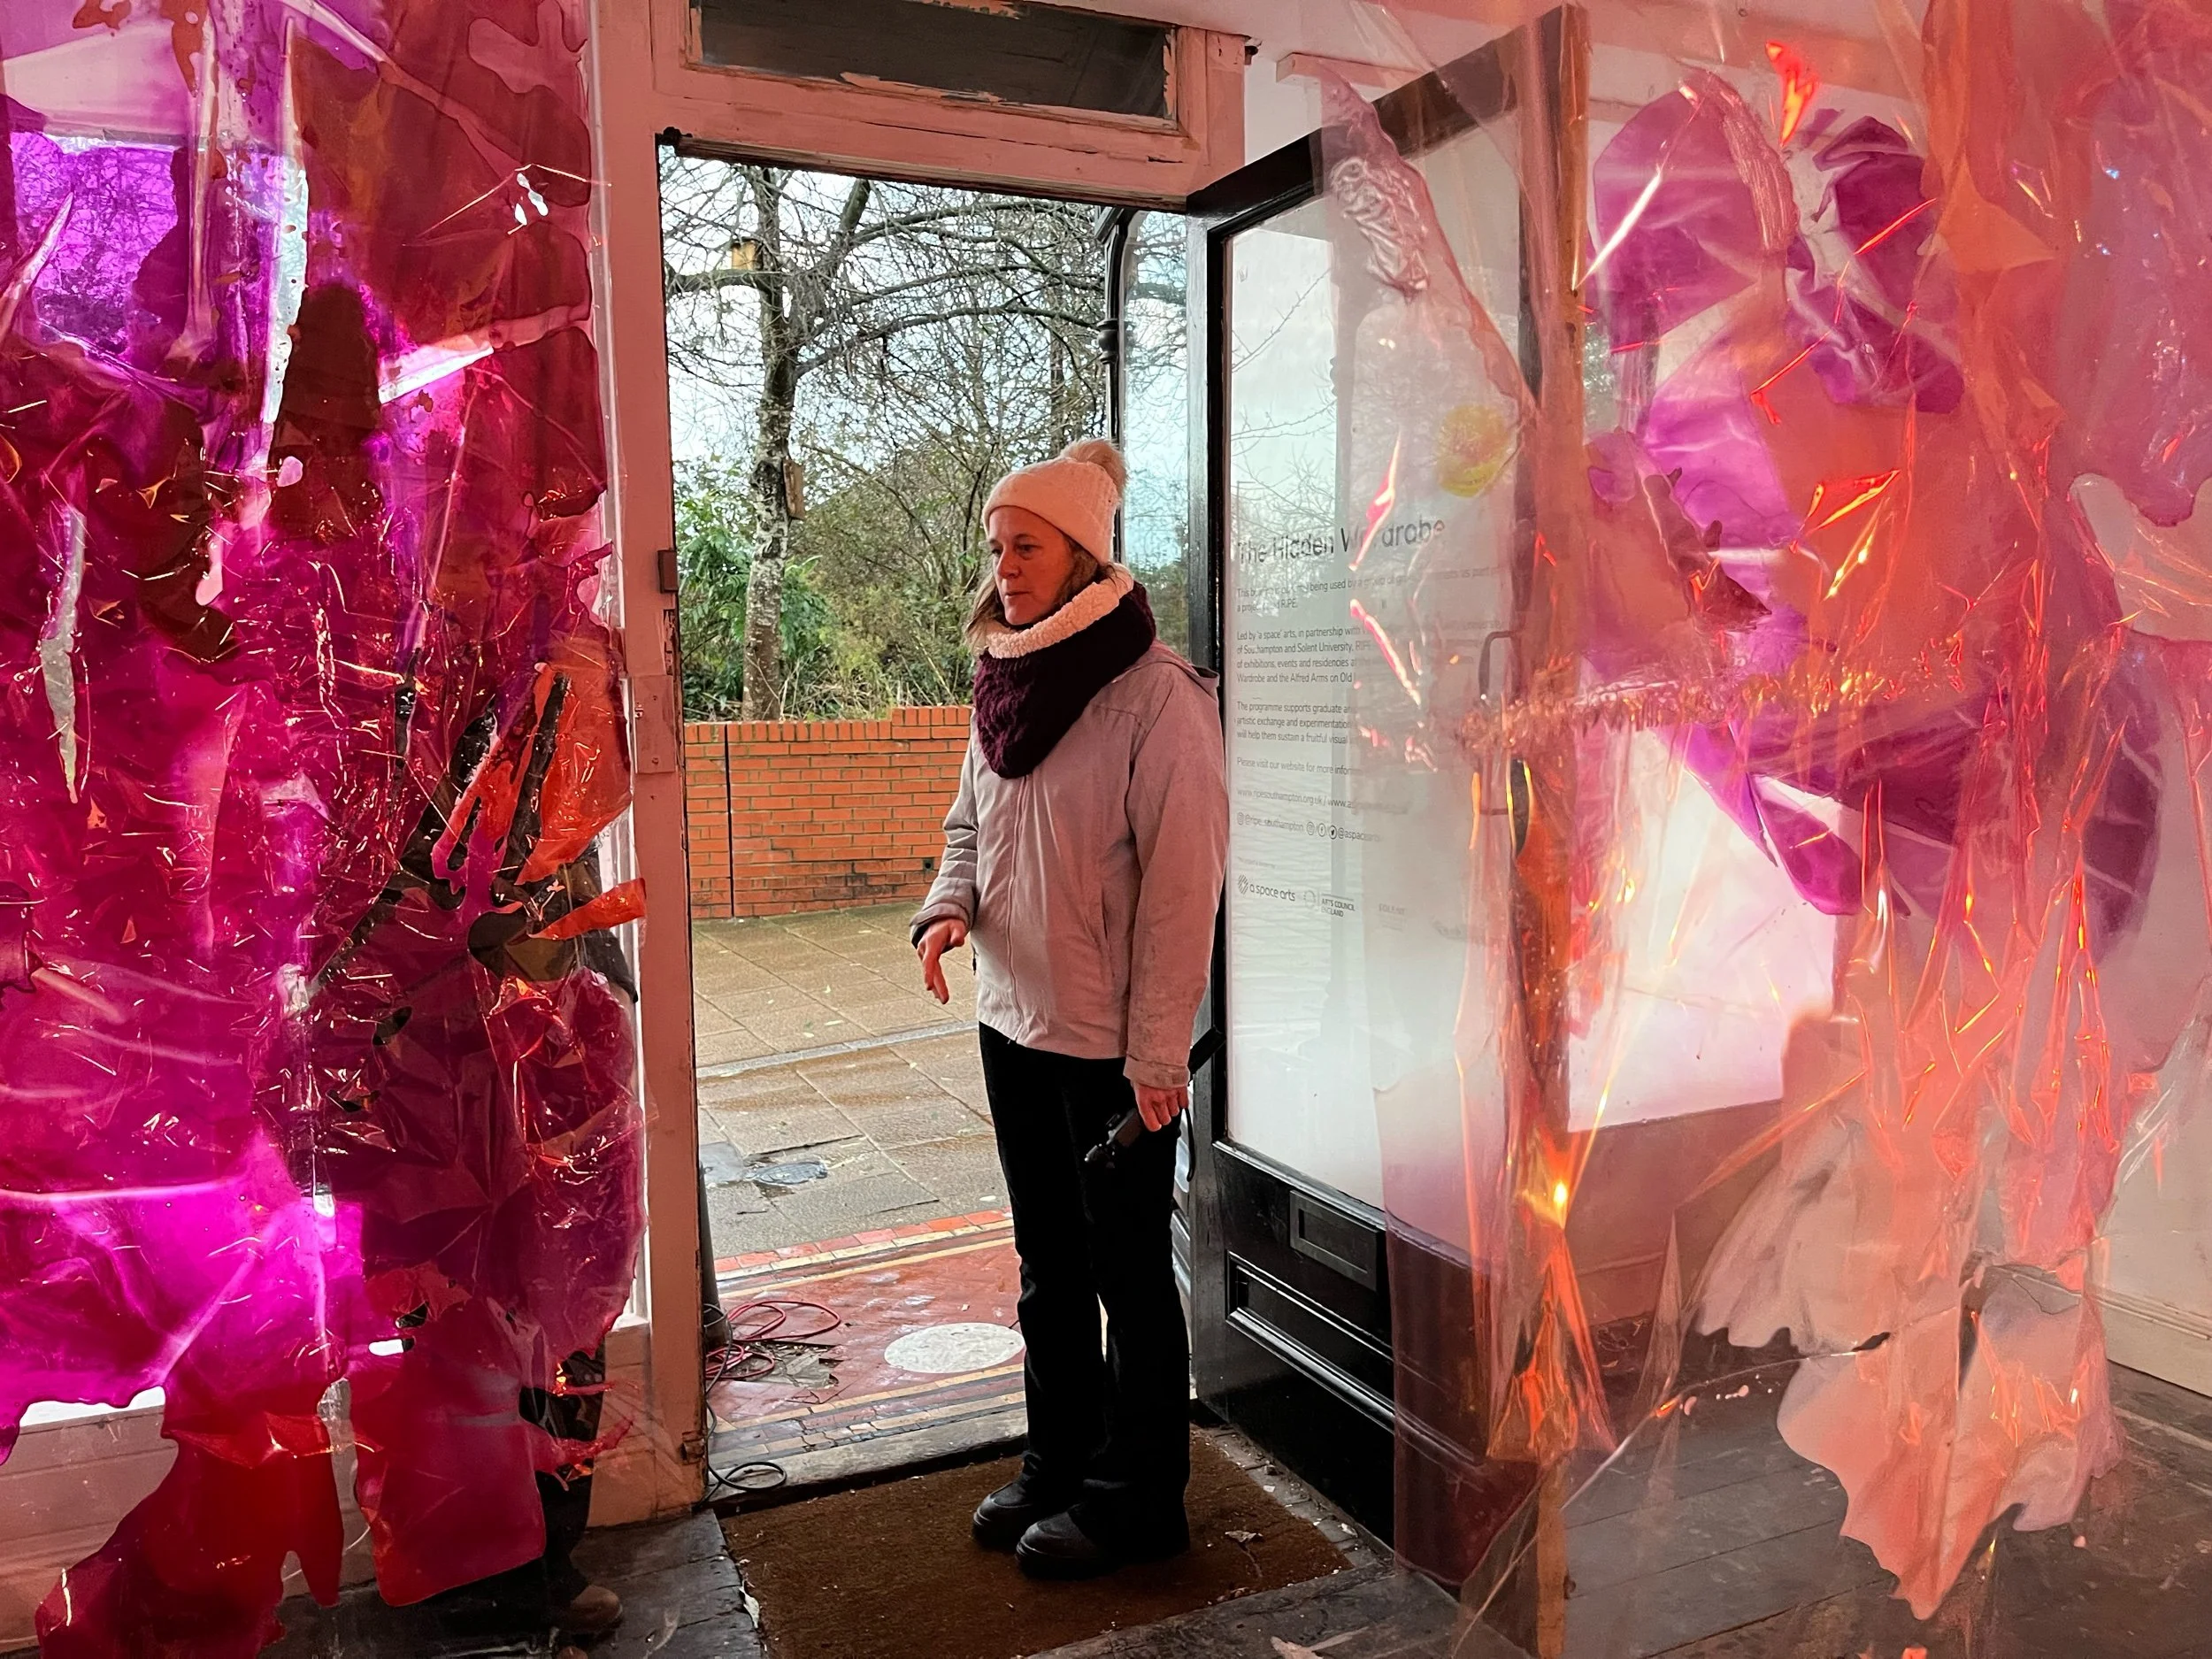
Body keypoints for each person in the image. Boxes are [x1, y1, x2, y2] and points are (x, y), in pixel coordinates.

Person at [912, 438, 1227, 1580]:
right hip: (1011, 1023)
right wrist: (948, 909)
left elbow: (1184, 894)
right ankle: (1061, 1459)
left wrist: (1158, 1058)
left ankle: (1140, 1498)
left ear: (1085, 555)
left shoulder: (1157, 698)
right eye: (997, 547)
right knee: (1048, 1261)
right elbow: (969, 827)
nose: (1004, 568)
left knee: (1128, 1273)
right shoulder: (1002, 684)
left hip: (1110, 1049)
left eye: (1028, 548)